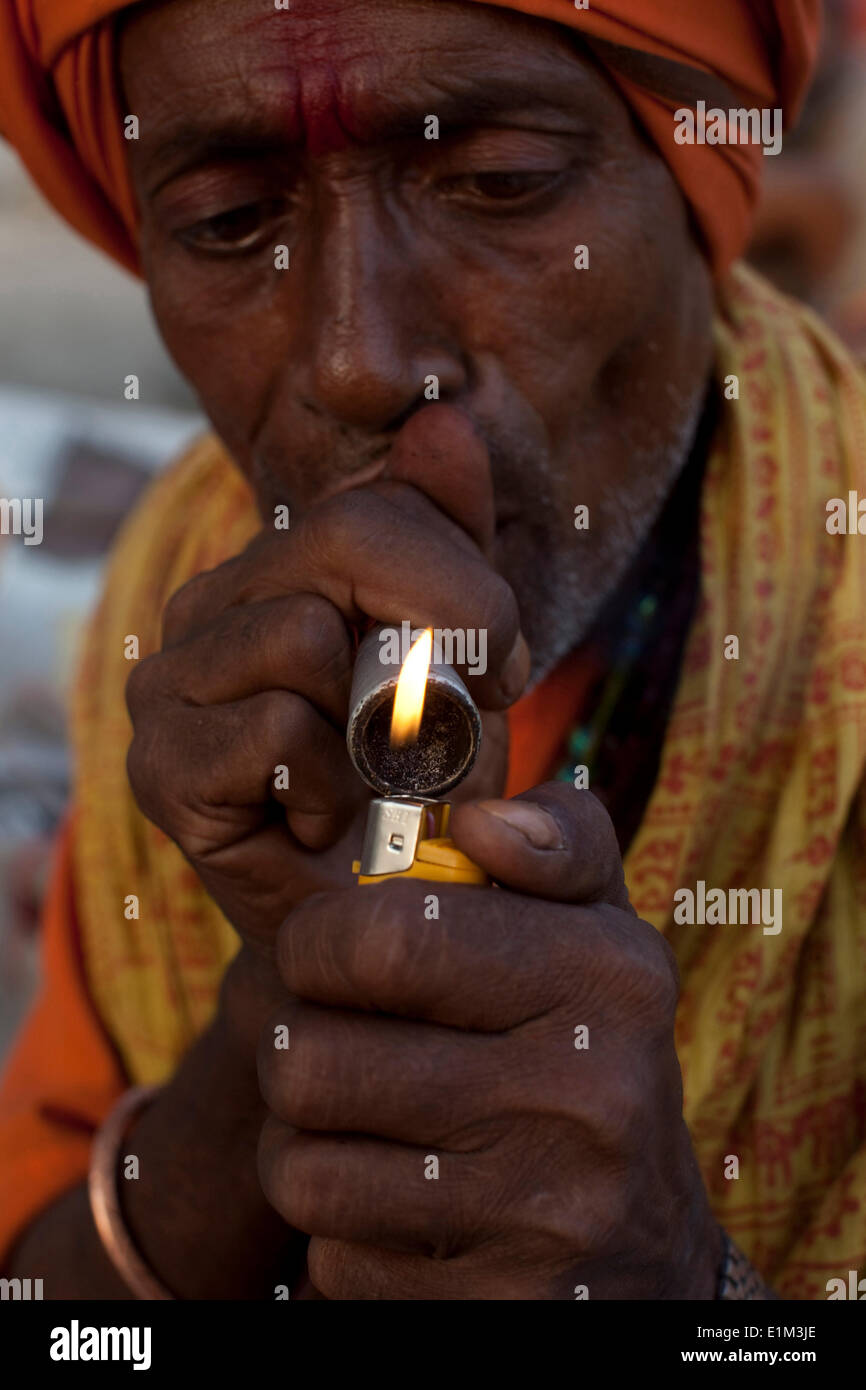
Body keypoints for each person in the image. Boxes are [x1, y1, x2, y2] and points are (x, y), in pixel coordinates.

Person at [1, 0, 863, 1302]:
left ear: (699, 182)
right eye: (232, 222)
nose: (359, 363)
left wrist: (678, 1282)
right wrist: (277, 1012)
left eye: (499, 184)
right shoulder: (187, 604)